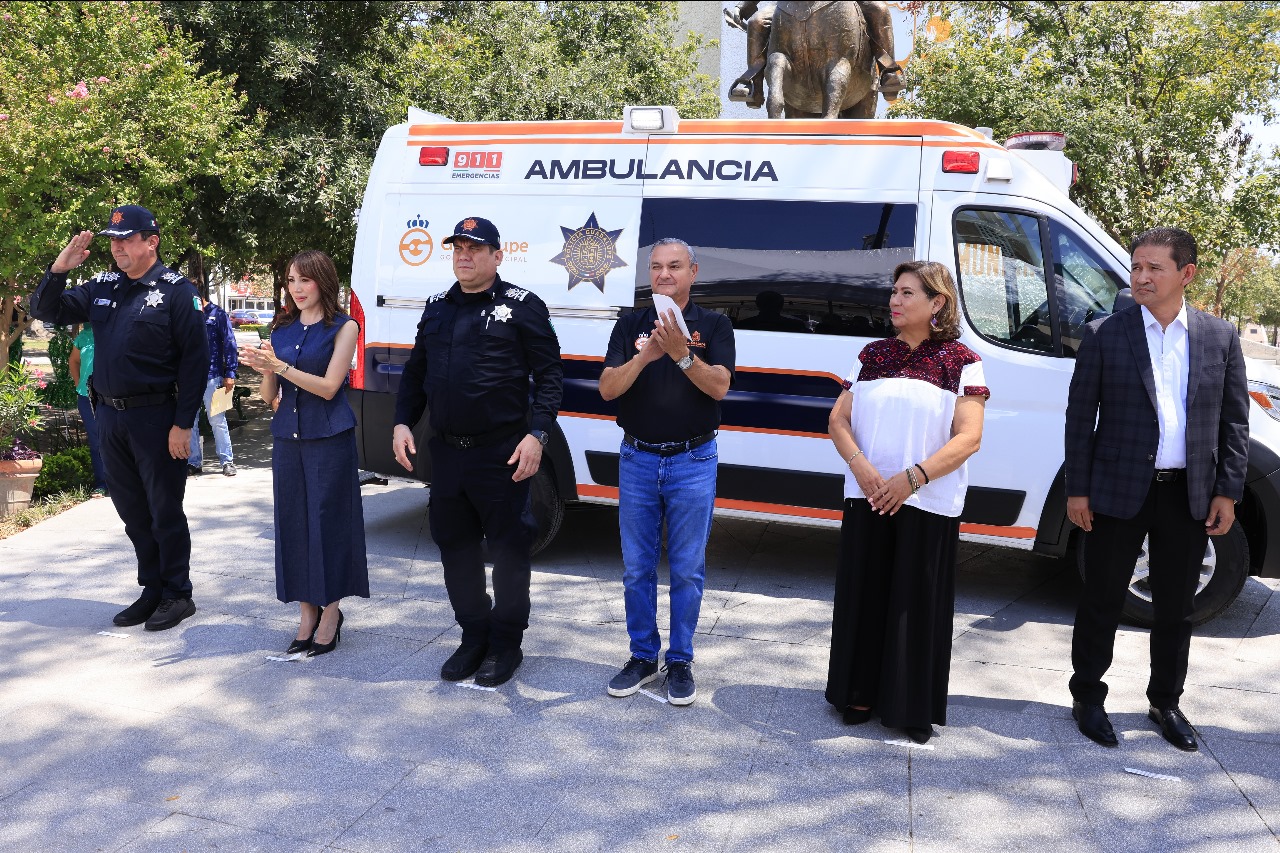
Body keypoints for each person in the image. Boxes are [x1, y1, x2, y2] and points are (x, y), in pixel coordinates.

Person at [1065, 228, 1249, 752]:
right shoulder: (1105, 333)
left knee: (1175, 606)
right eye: (1136, 267)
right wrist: (1078, 490)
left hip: (1188, 494)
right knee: (1101, 598)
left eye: (1154, 268)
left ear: (1185, 274)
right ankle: (1088, 696)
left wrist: (1227, 491)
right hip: (1118, 488)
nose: (1141, 277)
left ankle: (1165, 701)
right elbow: (1080, 419)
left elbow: (1234, 422)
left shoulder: (1220, 336)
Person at [392, 217, 563, 687]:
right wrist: (403, 420)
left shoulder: (522, 306)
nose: (464, 256)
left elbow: (550, 377)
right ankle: (473, 635)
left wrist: (538, 436)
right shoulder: (438, 308)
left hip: (502, 453)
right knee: (455, 548)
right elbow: (416, 373)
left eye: (475, 248)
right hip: (447, 453)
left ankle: (506, 643)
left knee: (510, 551)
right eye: (457, 248)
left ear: (497, 256)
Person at [825, 260, 988, 744]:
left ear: (937, 303)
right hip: (868, 496)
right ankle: (857, 691)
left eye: (907, 293)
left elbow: (969, 438)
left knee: (916, 605)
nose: (895, 301)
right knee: (864, 594)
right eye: (893, 292)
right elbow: (838, 421)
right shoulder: (871, 354)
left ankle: (910, 704)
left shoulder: (962, 360)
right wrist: (863, 469)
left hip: (927, 501)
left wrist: (911, 480)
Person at [29, 205, 208, 631]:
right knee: (131, 510)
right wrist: (59, 269)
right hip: (109, 415)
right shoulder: (102, 286)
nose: (117, 248)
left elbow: (195, 363)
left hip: (157, 417)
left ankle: (177, 593)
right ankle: (152, 589)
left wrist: (184, 424)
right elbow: (45, 310)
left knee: (165, 507)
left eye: (126, 239)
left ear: (152, 241)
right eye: (113, 240)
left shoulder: (176, 291)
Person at [599, 238, 736, 706]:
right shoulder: (630, 323)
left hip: (692, 461)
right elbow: (607, 389)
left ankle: (680, 660)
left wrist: (680, 353)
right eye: (656, 267)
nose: (663, 275)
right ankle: (642, 655)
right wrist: (644, 357)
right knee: (637, 568)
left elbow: (719, 387)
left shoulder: (714, 324)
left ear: (693, 272)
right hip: (637, 459)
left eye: (674, 266)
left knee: (686, 570)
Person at [238, 250, 369, 657]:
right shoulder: (281, 328)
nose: (296, 288)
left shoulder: (343, 327)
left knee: (327, 524)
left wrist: (279, 366)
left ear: (322, 283)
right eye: (291, 280)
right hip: (288, 440)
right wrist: (264, 370)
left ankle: (331, 612)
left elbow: (331, 388)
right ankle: (306, 613)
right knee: (294, 524)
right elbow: (269, 397)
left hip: (329, 439)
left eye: (304, 280)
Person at [726, 1, 902, 107]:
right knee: (757, 22)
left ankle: (888, 71)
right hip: (789, 6)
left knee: (879, 10)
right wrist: (742, 7)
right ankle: (754, 87)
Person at [188, 290, 238, 477]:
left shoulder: (218, 314)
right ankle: (193, 462)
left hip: (214, 376)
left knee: (218, 420)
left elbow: (230, 343)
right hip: (190, 377)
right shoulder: (186, 314)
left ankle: (227, 461)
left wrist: (230, 372)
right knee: (189, 421)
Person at [68, 326, 108, 497]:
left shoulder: (113, 330)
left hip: (112, 395)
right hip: (86, 397)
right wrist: (79, 384)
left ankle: (125, 482)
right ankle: (102, 483)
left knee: (119, 438)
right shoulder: (84, 336)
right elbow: (74, 361)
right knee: (96, 440)